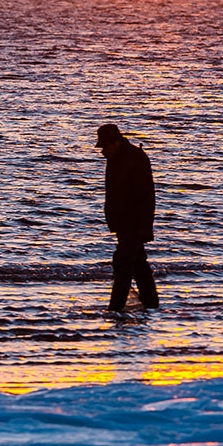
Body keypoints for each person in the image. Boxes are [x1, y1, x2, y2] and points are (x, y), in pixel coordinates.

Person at [95, 123, 160, 313]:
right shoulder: (117, 159)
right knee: (138, 265)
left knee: (123, 265)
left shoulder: (135, 159)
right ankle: (151, 303)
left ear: (115, 143)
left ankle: (115, 307)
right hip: (124, 222)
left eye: (105, 146)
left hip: (134, 223)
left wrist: (145, 227)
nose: (103, 151)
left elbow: (147, 196)